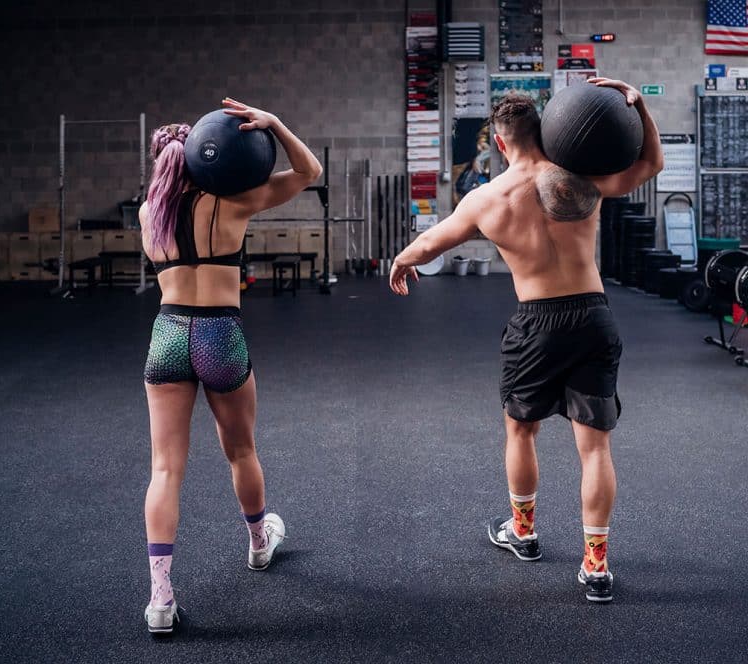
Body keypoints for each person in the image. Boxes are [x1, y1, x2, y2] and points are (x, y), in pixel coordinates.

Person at [389, 78, 663, 603]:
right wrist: (641, 106)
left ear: (498, 142)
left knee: (520, 430)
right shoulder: (580, 180)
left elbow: (430, 242)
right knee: (595, 446)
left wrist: (402, 260)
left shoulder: (486, 199)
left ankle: (523, 531)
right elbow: (650, 163)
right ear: (547, 129)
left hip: (537, 324)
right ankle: (596, 566)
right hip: (593, 317)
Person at [139, 99, 322, 632]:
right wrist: (275, 124)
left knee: (164, 469)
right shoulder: (229, 202)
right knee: (240, 451)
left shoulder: (150, 214)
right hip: (218, 332)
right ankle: (259, 543)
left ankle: (160, 599)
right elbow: (308, 172)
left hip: (168, 333)